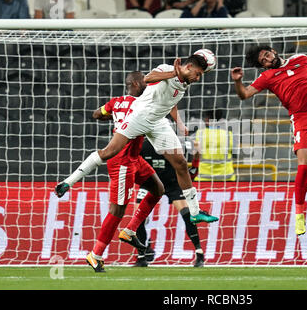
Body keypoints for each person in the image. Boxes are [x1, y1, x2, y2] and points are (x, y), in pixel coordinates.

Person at [55, 54, 218, 225]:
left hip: (158, 123)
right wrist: (174, 74)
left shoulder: (184, 83)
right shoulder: (167, 69)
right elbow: (148, 78)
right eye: (198, 74)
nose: (198, 78)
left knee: (181, 163)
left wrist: (180, 124)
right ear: (189, 66)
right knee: (109, 152)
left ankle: (195, 211)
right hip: (139, 117)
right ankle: (67, 182)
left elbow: (170, 102)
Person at [230, 46, 307, 236]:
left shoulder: (301, 59)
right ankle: (299, 216)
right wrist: (238, 82)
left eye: (267, 55)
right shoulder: (268, 76)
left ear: (273, 51)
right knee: (304, 166)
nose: (268, 60)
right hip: (301, 119)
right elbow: (244, 94)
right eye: (263, 61)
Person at [84, 72, 165, 273]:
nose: (148, 86)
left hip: (134, 158)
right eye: (145, 83)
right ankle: (95, 254)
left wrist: (114, 116)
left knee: (157, 189)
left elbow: (96, 114)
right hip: (121, 161)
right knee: (117, 210)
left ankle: (130, 230)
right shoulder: (141, 104)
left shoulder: (117, 102)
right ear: (137, 84)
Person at [130, 137, 205, 267]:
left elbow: (197, 146)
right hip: (151, 183)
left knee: (187, 214)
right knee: (138, 216)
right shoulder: (144, 145)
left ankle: (199, 253)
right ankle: (142, 253)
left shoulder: (173, 143)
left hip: (172, 183)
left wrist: (195, 165)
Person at [195, 109, 236, 181]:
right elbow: (233, 152)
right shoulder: (228, 134)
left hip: (204, 177)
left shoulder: (200, 133)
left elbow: (196, 154)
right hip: (226, 177)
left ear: (208, 119)